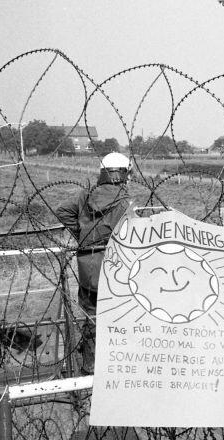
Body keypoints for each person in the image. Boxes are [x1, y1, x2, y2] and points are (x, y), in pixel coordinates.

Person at [55, 152, 132, 374]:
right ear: (123, 174)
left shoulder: (85, 196)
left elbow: (62, 212)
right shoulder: (125, 201)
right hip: (116, 271)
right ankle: (115, 367)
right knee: (120, 319)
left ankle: (90, 366)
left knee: (92, 317)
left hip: (88, 269)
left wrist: (83, 237)